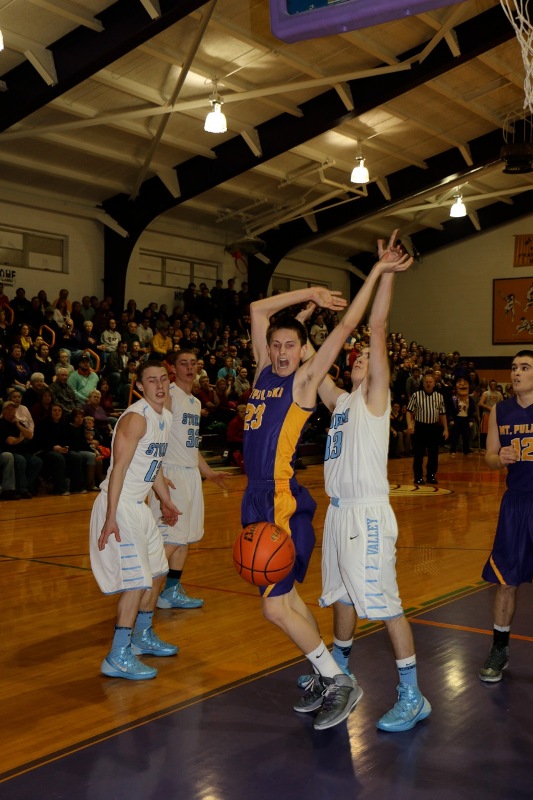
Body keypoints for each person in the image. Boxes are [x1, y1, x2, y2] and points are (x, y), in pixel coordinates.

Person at [242, 230, 411, 731]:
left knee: (275, 610)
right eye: (275, 344)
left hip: (280, 497)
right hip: (259, 498)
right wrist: (309, 295)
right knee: (289, 601)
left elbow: (355, 324)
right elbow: (257, 308)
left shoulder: (306, 381)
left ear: (303, 352)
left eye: (290, 345)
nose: (281, 351)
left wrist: (377, 272)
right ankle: (328, 673)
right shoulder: (264, 373)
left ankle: (338, 679)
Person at [296, 247, 430, 733]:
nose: (359, 357)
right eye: (356, 357)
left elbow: (376, 326)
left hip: (368, 514)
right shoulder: (342, 401)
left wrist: (386, 273)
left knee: (386, 605)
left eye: (367, 357)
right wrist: (304, 318)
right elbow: (309, 358)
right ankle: (341, 674)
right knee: (342, 597)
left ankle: (412, 695)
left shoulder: (375, 398)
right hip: (338, 513)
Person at [89, 360, 181, 681]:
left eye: (163, 379)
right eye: (151, 380)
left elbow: (153, 464)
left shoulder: (165, 416)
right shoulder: (135, 419)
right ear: (140, 386)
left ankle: (141, 636)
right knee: (137, 581)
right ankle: (117, 655)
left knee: (157, 572)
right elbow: (119, 469)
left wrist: (165, 500)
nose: (160, 385)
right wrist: (111, 516)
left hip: (138, 506)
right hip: (120, 506)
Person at [148, 350, 231, 610]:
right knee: (171, 539)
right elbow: (155, 437)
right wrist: (159, 476)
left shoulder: (194, 402)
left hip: (190, 474)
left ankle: (170, 592)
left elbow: (191, 446)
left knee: (183, 538)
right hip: (170, 475)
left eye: (193, 363)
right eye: (183, 363)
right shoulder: (169, 395)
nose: (189, 368)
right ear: (173, 368)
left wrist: (208, 473)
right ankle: (142, 593)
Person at [478, 350, 533, 683]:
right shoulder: (501, 410)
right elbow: (488, 456)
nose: (517, 373)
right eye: (514, 368)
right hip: (515, 504)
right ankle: (499, 648)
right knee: (506, 580)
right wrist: (500, 458)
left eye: (525, 367)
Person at [406, 369, 449, 485]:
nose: (428, 384)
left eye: (430, 382)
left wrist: (446, 429)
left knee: (434, 453)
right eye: (426, 382)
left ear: (434, 383)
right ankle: (418, 477)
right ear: (423, 383)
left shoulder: (439, 396)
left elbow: (442, 414)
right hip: (420, 427)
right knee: (419, 454)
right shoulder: (416, 395)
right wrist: (410, 424)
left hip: (433, 428)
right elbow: (409, 412)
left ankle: (431, 475)